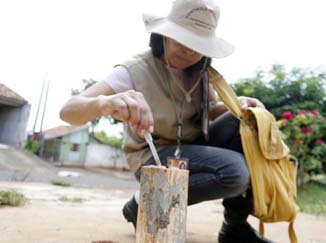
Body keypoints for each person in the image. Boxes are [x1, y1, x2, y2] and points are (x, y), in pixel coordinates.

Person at [60, 0, 274, 242]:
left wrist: (238, 105)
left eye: (198, 44)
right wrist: (104, 103)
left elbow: (210, 109)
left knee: (244, 122)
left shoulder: (200, 72)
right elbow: (68, 110)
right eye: (182, 39)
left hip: (192, 145)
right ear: (163, 35)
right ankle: (143, 202)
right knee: (234, 173)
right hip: (153, 153)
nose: (189, 51)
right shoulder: (134, 69)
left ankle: (234, 227)